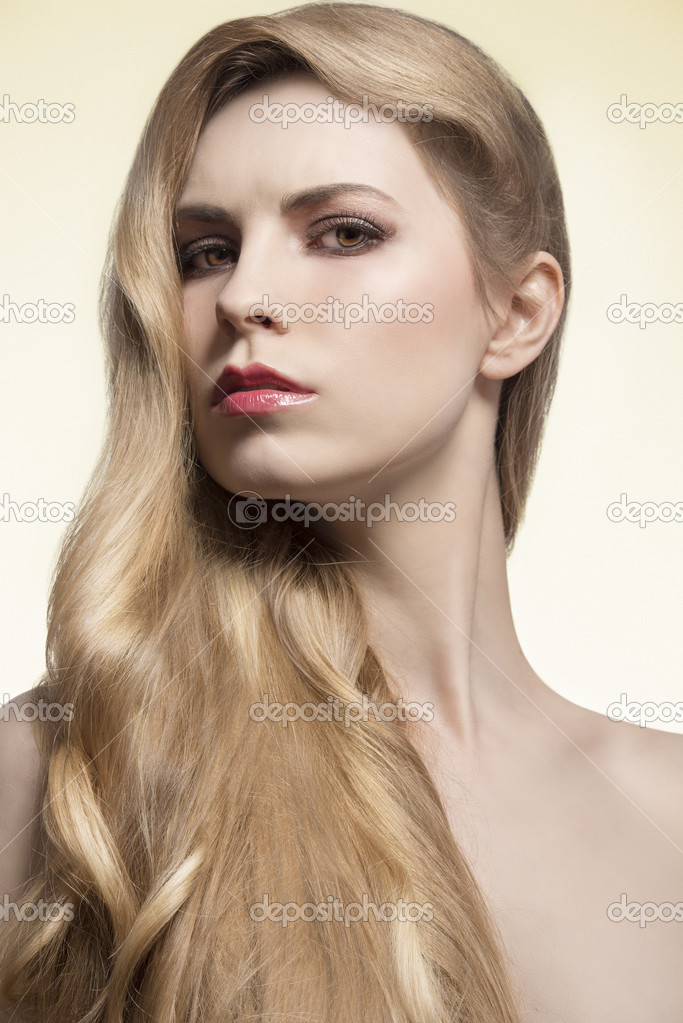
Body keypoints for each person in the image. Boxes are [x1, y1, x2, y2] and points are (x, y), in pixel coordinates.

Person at [1, 3, 682, 1021]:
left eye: (344, 231)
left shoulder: (665, 807)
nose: (244, 296)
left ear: (516, 313)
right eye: (203, 250)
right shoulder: (57, 781)